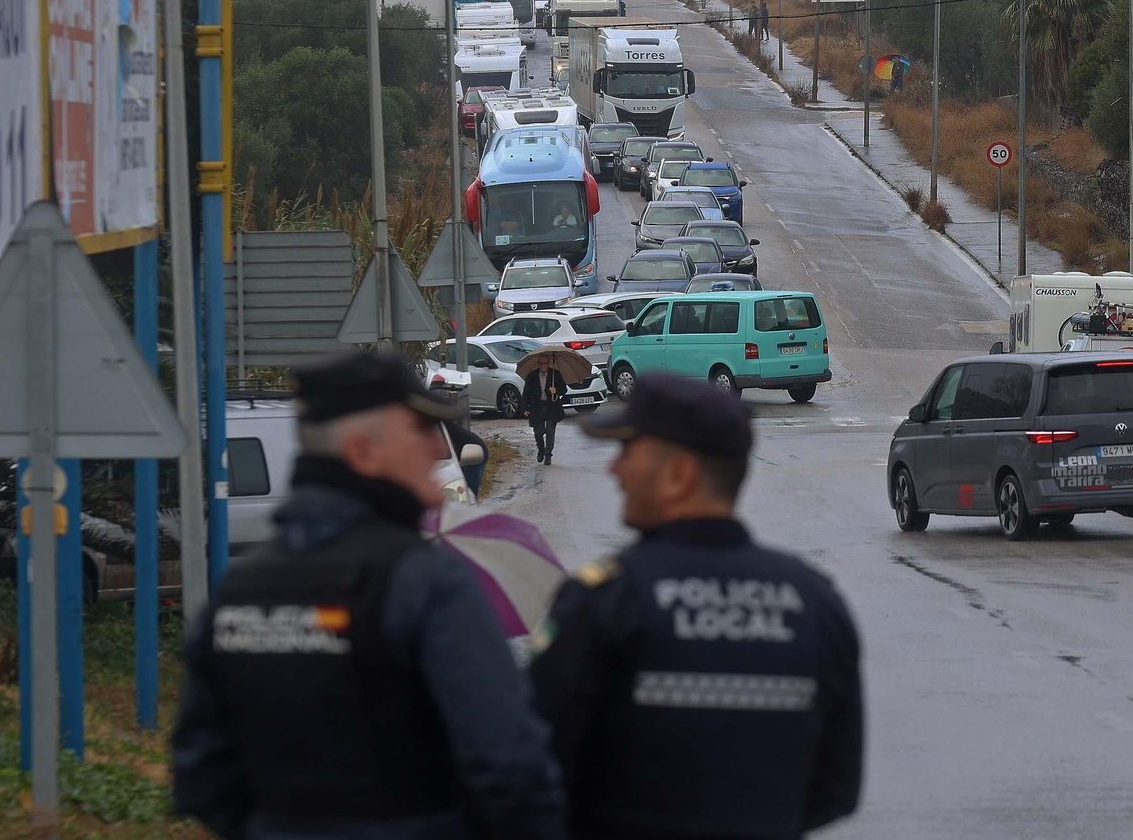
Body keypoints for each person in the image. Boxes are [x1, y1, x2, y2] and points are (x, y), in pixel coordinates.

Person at [173, 352, 565, 840]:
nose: (433, 451)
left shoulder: (239, 588)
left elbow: (199, 770)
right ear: (363, 452)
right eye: (418, 433)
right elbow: (509, 762)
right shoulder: (427, 581)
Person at [528, 374, 864, 840]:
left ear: (679, 474)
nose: (615, 470)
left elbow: (530, 764)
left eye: (628, 451)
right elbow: (838, 788)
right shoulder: (815, 604)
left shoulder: (606, 602)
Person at [523, 352, 566, 464]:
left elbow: (564, 388)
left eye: (546, 363)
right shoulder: (532, 376)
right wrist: (525, 408)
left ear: (549, 363)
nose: (543, 366)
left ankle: (548, 455)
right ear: (538, 363)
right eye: (541, 363)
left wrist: (556, 390)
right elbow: (526, 393)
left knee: (550, 431)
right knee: (538, 431)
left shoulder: (555, 375)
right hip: (537, 407)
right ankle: (541, 450)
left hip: (551, 406)